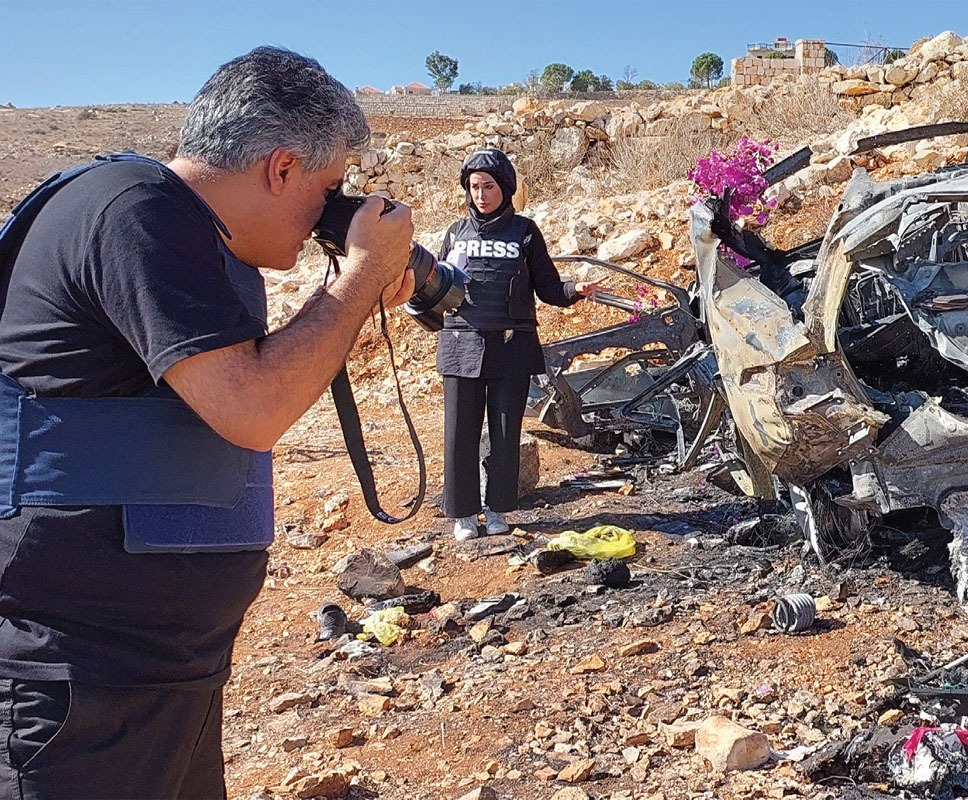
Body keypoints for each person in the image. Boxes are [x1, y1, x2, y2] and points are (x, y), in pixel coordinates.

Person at [0, 46, 416, 798]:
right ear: (281, 167)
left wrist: (360, 292)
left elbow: (260, 390)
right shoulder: (135, 210)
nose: (330, 211)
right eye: (328, 188)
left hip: (160, 671)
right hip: (79, 675)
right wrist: (359, 278)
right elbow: (253, 408)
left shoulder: (198, 244)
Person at [437, 148, 602, 541]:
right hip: (461, 346)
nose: (481, 194)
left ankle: (497, 510)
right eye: (474, 187)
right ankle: (463, 515)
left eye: (488, 186)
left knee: (506, 430)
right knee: (459, 432)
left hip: (511, 348)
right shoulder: (454, 233)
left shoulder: (525, 232)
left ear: (505, 188)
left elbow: (547, 287)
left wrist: (574, 289)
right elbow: (437, 287)